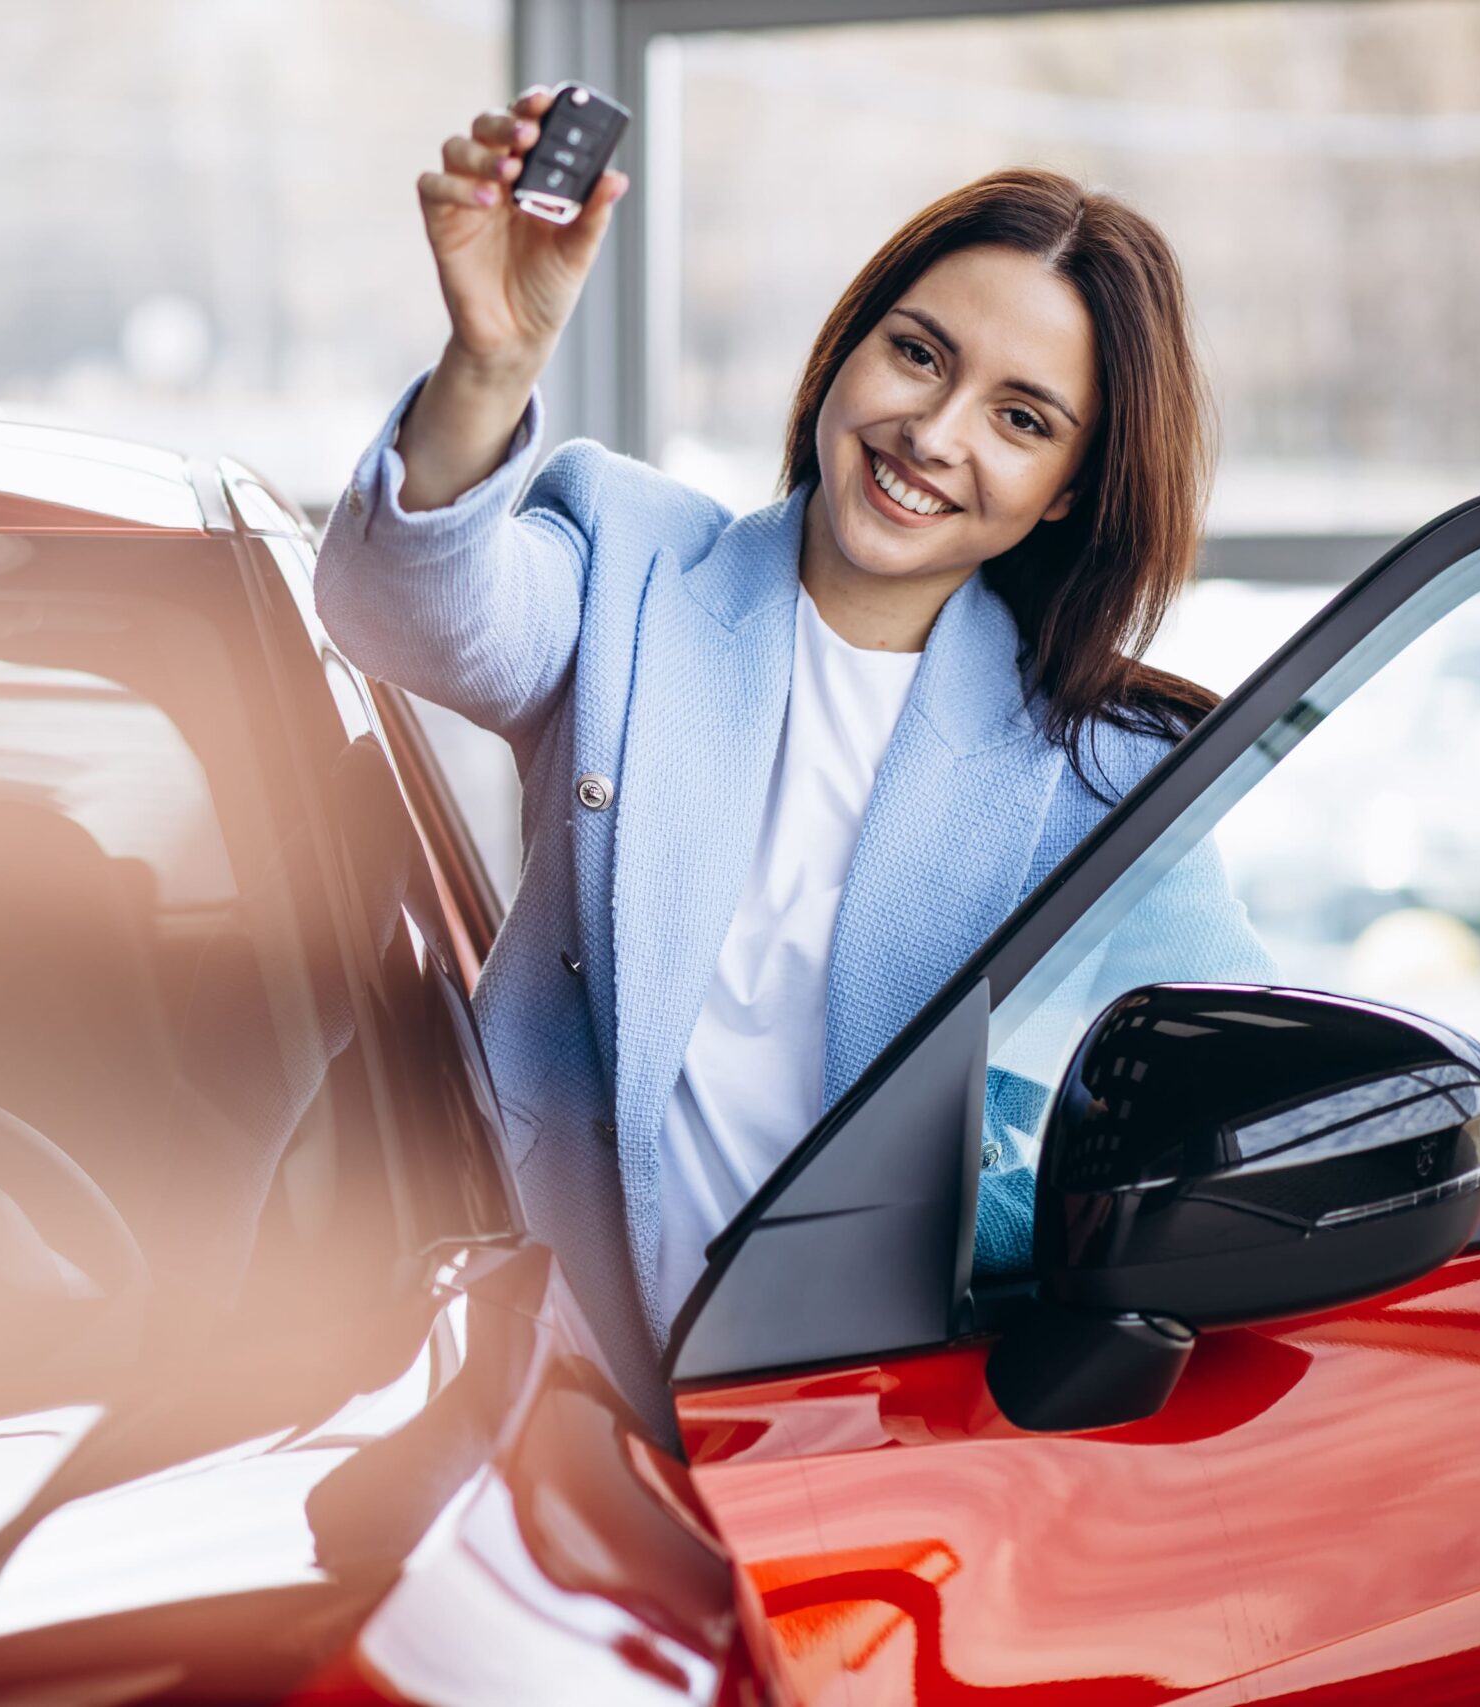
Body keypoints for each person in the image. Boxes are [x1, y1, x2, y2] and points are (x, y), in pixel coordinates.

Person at [313, 86, 1272, 1430]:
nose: (935, 435)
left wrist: (1006, 1202)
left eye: (1022, 418)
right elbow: (398, 612)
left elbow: (1252, 1110)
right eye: (920, 354)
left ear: (1070, 489)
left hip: (877, 1442)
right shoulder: (633, 565)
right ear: (846, 353)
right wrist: (492, 358)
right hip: (536, 1400)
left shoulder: (1105, 773)